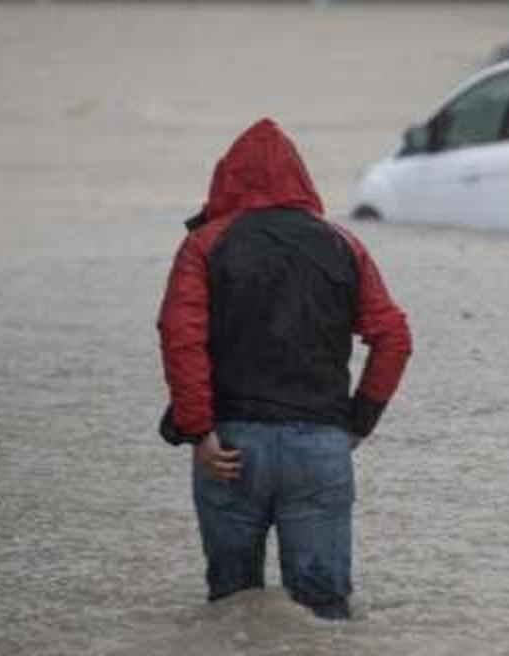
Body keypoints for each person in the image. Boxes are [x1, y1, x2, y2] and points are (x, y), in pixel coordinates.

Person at [157, 119, 412, 620]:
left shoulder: (204, 246)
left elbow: (180, 339)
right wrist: (358, 423)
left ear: (225, 180)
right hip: (320, 447)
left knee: (231, 612)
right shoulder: (344, 245)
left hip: (230, 448)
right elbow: (394, 339)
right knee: (324, 619)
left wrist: (199, 430)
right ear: (301, 179)